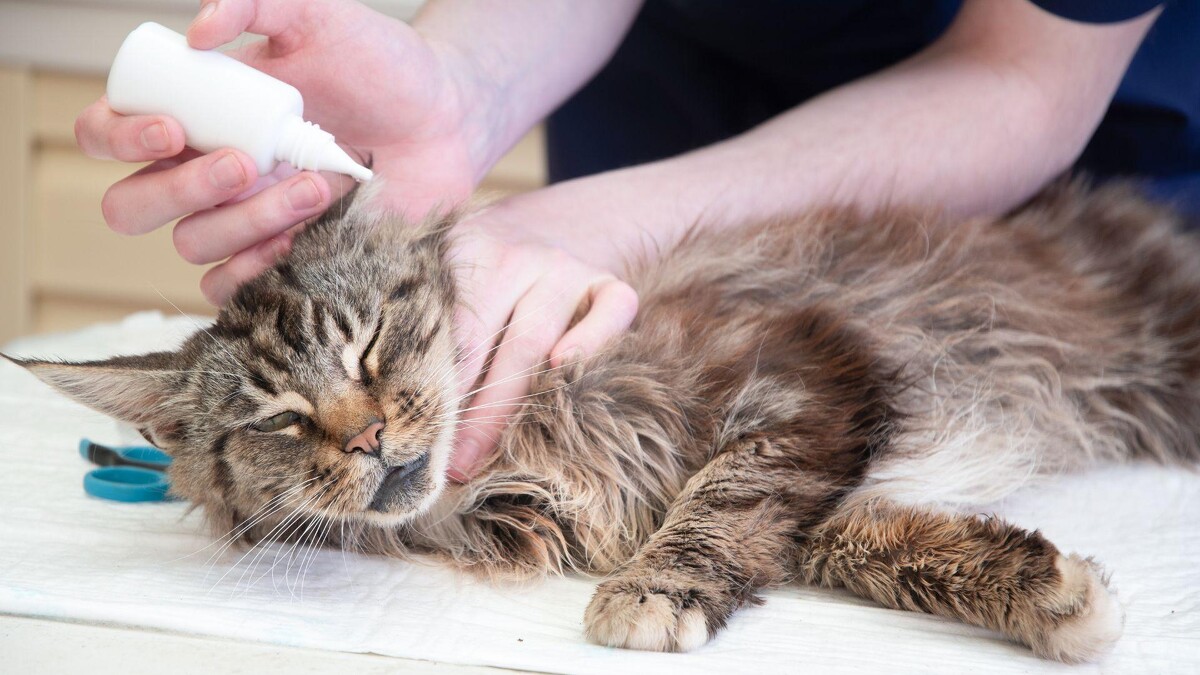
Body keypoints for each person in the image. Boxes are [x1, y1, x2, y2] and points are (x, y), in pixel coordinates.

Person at [76, 0, 1185, 481]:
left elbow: (1022, 76)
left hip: (1065, 213)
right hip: (666, 98)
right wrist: (460, 93)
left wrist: (609, 219)